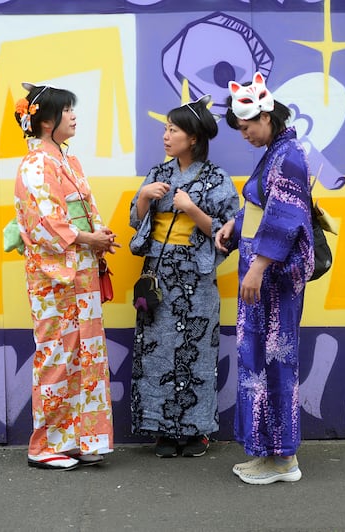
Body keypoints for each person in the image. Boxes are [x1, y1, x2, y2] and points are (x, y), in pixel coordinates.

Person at [12, 82, 119, 471]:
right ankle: (44, 445)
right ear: (45, 121)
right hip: (55, 275)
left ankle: (79, 439)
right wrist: (86, 237)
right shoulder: (37, 163)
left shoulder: (67, 161)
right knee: (57, 354)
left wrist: (98, 235)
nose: (74, 116)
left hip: (81, 268)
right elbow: (44, 222)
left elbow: (82, 208)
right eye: (67, 110)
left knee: (86, 355)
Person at [215, 72, 313, 484]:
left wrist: (257, 266)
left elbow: (286, 218)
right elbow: (262, 208)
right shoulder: (277, 152)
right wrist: (234, 226)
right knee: (262, 361)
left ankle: (285, 459)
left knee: (275, 362)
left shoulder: (288, 155)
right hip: (265, 279)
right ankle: (270, 452)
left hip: (272, 278)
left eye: (247, 126)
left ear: (267, 116)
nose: (244, 134)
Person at [129, 94, 239, 458]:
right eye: (165, 129)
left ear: (193, 137)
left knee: (195, 354)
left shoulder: (216, 178)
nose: (165, 136)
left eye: (172, 130)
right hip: (160, 274)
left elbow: (229, 233)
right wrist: (144, 197)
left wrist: (192, 209)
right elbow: (136, 221)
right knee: (157, 352)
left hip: (196, 276)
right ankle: (161, 430)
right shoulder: (158, 174)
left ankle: (196, 432)